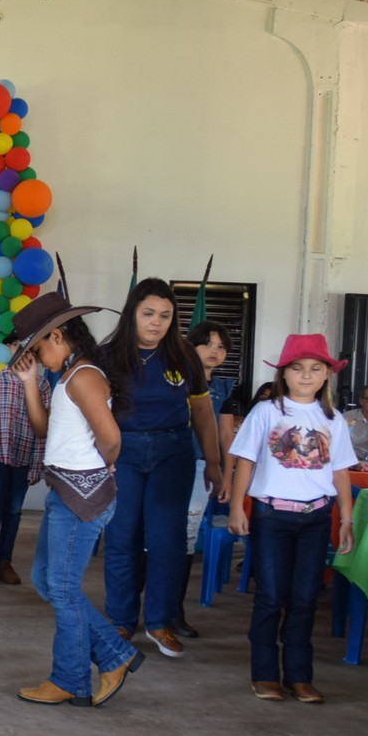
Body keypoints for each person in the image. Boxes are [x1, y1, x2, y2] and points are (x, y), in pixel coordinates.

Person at [9, 294, 145, 707]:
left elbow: (112, 438)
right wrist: (31, 383)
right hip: (66, 491)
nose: (37, 357)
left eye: (37, 349)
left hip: (81, 494)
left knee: (63, 589)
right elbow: (43, 430)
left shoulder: (84, 376)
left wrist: (103, 467)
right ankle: (115, 654)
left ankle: (69, 678)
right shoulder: (67, 376)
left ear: (57, 335)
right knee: (46, 581)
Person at [98, 277, 225, 658]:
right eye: (149, 313)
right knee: (122, 538)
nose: (157, 322)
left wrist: (214, 462)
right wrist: (100, 459)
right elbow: (93, 413)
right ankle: (121, 620)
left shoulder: (184, 355)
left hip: (174, 453)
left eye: (166, 316)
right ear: (132, 313)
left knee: (168, 541)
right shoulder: (108, 356)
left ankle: (159, 622)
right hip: (124, 453)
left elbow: (202, 411)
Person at [228, 334, 357, 703]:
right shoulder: (267, 411)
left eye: (316, 369)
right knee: (271, 595)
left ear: (327, 376)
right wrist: (238, 506)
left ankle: (300, 675)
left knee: (305, 598)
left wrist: (345, 517)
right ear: (284, 374)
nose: (306, 376)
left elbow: (341, 472)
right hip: (271, 515)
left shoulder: (331, 419)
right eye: (297, 369)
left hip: (316, 517)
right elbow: (246, 461)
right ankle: (266, 674)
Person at [175, 320, 239, 638]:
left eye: (221, 346)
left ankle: (175, 612)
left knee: (187, 538)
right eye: (208, 344)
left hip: (203, 468)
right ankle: (146, 612)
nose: (215, 351)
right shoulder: (175, 379)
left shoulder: (225, 388)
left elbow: (227, 435)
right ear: (191, 346)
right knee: (157, 538)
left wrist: (226, 476)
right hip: (169, 465)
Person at [0, 354, 49, 586]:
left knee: (13, 512)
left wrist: (38, 465)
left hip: (24, 457)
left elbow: (44, 428)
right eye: (18, 347)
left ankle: (4, 562)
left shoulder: (43, 384)